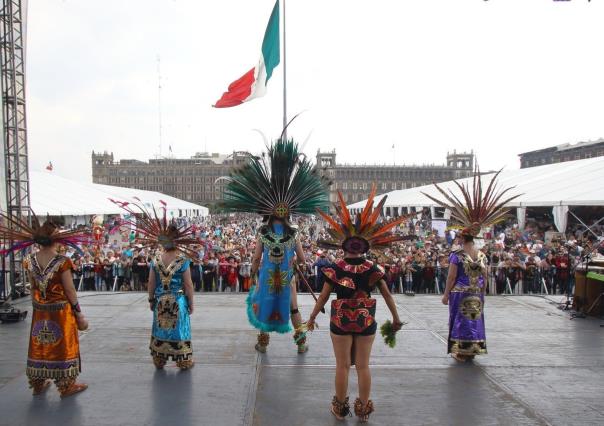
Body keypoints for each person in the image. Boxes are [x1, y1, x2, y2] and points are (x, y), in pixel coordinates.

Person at [221, 137, 330, 354]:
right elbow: (301, 258)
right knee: (293, 308)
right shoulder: (294, 233)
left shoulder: (263, 232)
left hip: (267, 276)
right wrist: (298, 264)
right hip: (287, 278)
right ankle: (300, 343)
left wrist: (253, 273)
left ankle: (263, 343)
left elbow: (255, 258)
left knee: (264, 307)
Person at [307, 184, 405, 423]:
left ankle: (340, 410)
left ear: (343, 245)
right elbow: (388, 295)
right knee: (363, 366)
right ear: (366, 245)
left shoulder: (336, 268)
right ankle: (363, 411)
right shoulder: (374, 268)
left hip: (340, 320)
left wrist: (311, 317)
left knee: (342, 366)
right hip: (365, 319)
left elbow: (323, 296)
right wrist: (395, 318)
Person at [423, 168, 519, 362]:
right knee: (475, 320)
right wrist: (482, 290)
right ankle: (474, 350)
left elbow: (451, 277)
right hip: (476, 292)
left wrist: (445, 294)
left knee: (460, 321)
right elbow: (485, 274)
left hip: (460, 291)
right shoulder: (481, 255)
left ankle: (460, 351)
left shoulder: (457, 255)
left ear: (462, 237)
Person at [0, 215, 90, 397]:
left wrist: (39, 302)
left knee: (39, 344)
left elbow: (33, 286)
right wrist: (78, 313)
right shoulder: (62, 261)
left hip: (40, 311)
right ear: (56, 240)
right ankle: (66, 385)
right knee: (63, 345)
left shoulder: (30, 261)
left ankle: (38, 383)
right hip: (61, 312)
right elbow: (70, 290)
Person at [111, 199, 199, 370]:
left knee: (160, 328)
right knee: (179, 329)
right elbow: (188, 285)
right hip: (178, 300)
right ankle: (183, 360)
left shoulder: (156, 259)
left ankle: (159, 359)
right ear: (178, 241)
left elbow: (151, 282)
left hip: (160, 301)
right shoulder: (182, 260)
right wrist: (191, 303)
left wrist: (151, 300)